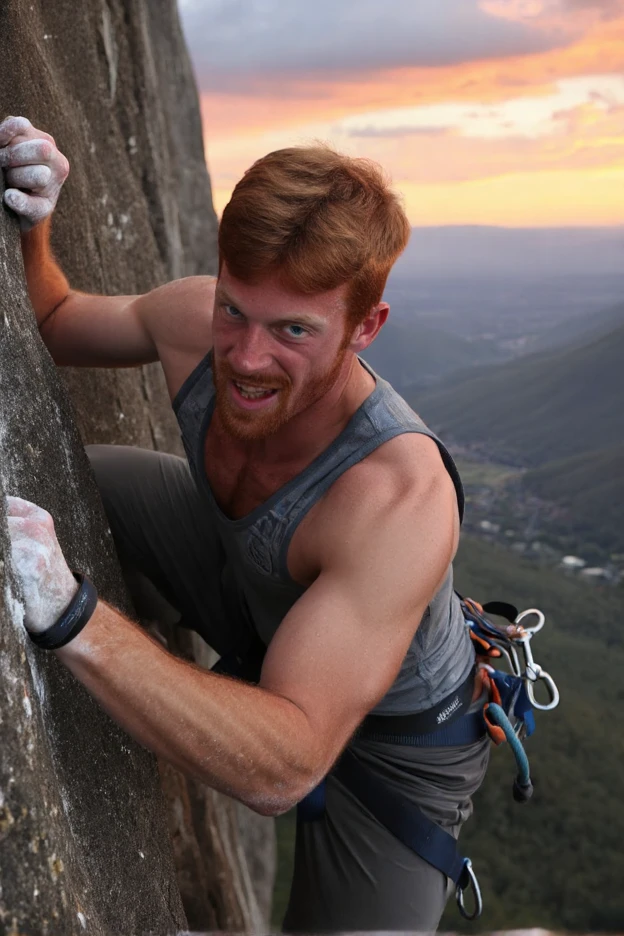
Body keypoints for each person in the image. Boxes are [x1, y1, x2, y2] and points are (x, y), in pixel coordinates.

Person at [1, 115, 489, 933]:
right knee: (87, 480)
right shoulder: (198, 319)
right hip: (252, 580)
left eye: (294, 330)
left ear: (366, 328)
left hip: (395, 752)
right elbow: (55, 322)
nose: (248, 357)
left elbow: (286, 768)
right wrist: (35, 214)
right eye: (237, 310)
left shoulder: (396, 497)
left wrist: (76, 617)